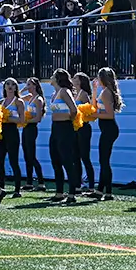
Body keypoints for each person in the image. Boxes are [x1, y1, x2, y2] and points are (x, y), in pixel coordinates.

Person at [45, 68, 82, 204]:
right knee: (55, 159)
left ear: (58, 78)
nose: (51, 77)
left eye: (53, 75)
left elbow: (74, 109)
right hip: (55, 128)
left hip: (65, 128)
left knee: (67, 160)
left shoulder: (64, 91)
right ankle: (59, 192)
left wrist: (68, 120)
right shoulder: (55, 93)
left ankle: (72, 192)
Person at [94, 66, 123, 200]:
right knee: (103, 160)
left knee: (104, 160)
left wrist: (94, 114)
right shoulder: (104, 91)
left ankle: (108, 192)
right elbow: (95, 105)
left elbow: (109, 115)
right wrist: (94, 90)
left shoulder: (106, 93)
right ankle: (101, 190)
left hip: (109, 129)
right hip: (106, 129)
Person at [0, 78, 24, 199]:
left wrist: (8, 118)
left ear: (16, 88)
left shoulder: (18, 102)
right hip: (1, 133)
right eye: (7, 84)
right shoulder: (1, 102)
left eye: (13, 84)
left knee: (13, 161)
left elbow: (22, 120)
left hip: (12, 132)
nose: (10, 86)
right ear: (4, 87)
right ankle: (1, 188)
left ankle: (17, 189)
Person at [19, 77, 47, 193]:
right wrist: (24, 89)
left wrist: (25, 121)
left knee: (32, 155)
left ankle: (41, 182)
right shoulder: (30, 97)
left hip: (31, 127)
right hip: (26, 127)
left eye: (29, 84)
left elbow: (38, 118)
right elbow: (18, 97)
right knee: (26, 155)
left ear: (35, 86)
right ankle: (29, 182)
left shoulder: (38, 100)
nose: (28, 86)